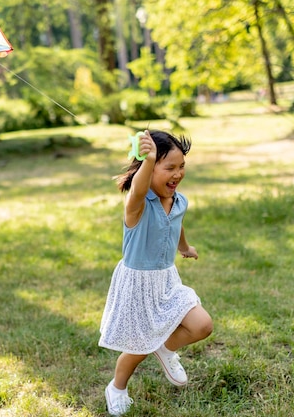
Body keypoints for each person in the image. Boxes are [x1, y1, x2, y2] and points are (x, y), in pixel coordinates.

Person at [99, 130, 213, 416]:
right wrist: (148, 159)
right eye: (169, 168)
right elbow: (138, 188)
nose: (178, 174)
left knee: (202, 325)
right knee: (138, 348)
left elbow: (176, 224)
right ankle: (117, 388)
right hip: (138, 284)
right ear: (148, 169)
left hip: (166, 281)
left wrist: (185, 247)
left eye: (181, 166)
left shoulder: (179, 201)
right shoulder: (137, 205)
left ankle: (164, 347)